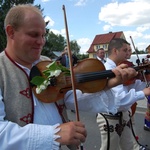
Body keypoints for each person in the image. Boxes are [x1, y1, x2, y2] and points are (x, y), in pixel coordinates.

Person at [0, 4, 141, 150]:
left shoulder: (47, 63)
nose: (41, 41)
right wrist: (53, 135)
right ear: (11, 32)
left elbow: (69, 98)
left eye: (43, 35)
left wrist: (109, 83)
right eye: (34, 34)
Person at [96, 38, 149, 150]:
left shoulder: (119, 67)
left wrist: (144, 81)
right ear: (115, 51)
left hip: (123, 115)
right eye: (125, 50)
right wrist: (142, 93)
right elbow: (119, 100)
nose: (128, 53)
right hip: (111, 116)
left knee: (129, 146)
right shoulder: (108, 70)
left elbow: (128, 87)